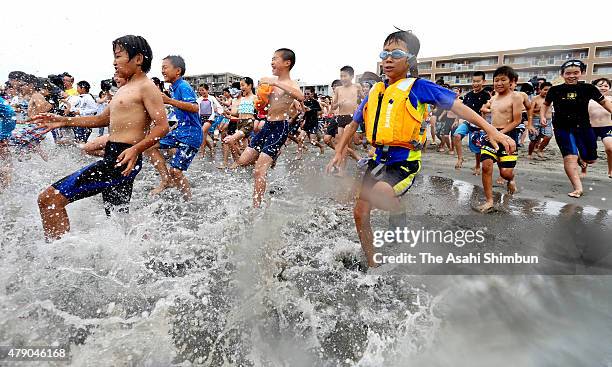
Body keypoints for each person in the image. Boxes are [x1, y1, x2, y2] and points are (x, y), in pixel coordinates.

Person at [326, 30, 514, 268]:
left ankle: (398, 213)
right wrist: (339, 151)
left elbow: (457, 106)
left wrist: (491, 129)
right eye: (385, 53)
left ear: (411, 59)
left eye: (396, 53)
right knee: (359, 212)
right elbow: (354, 123)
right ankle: (372, 261)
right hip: (377, 159)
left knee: (382, 194)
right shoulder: (376, 91)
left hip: (404, 162)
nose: (388, 59)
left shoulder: (418, 87)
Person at [33, 35, 170, 240]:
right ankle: (146, 245)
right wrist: (64, 120)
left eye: (118, 56)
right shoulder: (124, 89)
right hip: (116, 155)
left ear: (138, 58)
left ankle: (57, 257)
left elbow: (162, 126)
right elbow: (101, 119)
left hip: (121, 159)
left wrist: (136, 149)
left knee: (48, 199)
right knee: (117, 219)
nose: (114, 62)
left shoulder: (147, 87)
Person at [232, 48, 304, 207]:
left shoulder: (290, 84)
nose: (271, 62)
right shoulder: (270, 81)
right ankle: (268, 161)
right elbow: (263, 102)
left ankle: (256, 207)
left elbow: (300, 96)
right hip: (267, 124)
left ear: (287, 63)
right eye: (271, 59)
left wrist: (275, 82)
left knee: (259, 170)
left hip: (280, 127)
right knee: (242, 160)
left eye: (275, 59)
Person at [541, 60, 612, 197]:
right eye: (568, 73)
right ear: (562, 74)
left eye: (576, 73)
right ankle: (577, 188)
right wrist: (544, 116)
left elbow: (604, 102)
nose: (572, 76)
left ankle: (581, 157)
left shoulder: (588, 89)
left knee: (590, 159)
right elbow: (546, 104)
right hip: (562, 127)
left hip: (583, 127)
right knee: (569, 157)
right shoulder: (555, 90)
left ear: (582, 73)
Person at [146, 55, 201, 199]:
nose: (162, 71)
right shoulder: (173, 87)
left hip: (191, 135)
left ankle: (188, 200)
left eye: (165, 67)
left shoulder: (183, 86)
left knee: (176, 171)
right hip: (179, 131)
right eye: (161, 68)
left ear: (177, 71)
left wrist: (169, 100)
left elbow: (195, 107)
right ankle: (166, 180)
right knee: (149, 146)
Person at [478, 66, 523, 213]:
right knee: (486, 166)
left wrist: (500, 133)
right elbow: (485, 108)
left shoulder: (516, 97)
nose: (499, 83)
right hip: (492, 135)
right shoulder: (493, 98)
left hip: (509, 135)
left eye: (503, 79)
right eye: (496, 80)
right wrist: (491, 130)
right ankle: (489, 201)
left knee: (505, 173)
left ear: (511, 82)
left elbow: (517, 120)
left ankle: (510, 180)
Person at [458, 71, 491, 175]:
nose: (475, 83)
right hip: (468, 122)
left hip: (479, 124)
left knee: (477, 148)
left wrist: (483, 126)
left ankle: (477, 166)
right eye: (473, 81)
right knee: (456, 135)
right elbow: (462, 109)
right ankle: (460, 159)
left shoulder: (486, 95)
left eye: (478, 81)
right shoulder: (468, 95)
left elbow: (487, 110)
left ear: (483, 82)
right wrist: (458, 120)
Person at [224, 77, 257, 164]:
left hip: (248, 123)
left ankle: (237, 162)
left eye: (243, 85)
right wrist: (228, 113)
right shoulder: (242, 99)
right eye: (240, 86)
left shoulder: (255, 98)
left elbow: (260, 112)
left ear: (250, 85)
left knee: (231, 140)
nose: (241, 87)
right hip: (240, 123)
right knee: (244, 146)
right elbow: (238, 114)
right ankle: (247, 161)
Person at [587, 78, 612, 178]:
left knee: (610, 148)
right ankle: (583, 170)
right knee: (587, 152)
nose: (603, 87)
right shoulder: (589, 99)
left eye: (606, 86)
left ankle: (610, 170)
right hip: (591, 127)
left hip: (608, 127)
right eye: (600, 85)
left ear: (610, 88)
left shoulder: (610, 99)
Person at [527, 81, 553, 159]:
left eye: (549, 90)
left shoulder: (552, 98)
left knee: (548, 136)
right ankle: (530, 153)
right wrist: (530, 124)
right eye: (545, 90)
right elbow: (530, 111)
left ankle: (540, 149)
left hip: (547, 120)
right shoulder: (535, 98)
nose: (547, 92)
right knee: (534, 139)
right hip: (535, 120)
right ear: (540, 90)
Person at [301, 86, 325, 154]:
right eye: (305, 94)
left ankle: (321, 146)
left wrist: (311, 110)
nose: (306, 95)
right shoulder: (304, 102)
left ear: (312, 94)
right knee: (300, 139)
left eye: (308, 94)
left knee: (312, 142)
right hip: (306, 123)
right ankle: (301, 153)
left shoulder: (315, 102)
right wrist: (302, 119)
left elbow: (320, 111)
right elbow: (304, 113)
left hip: (313, 123)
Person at [0, 95, 16, 191]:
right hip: (7, 124)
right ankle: (7, 181)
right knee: (4, 154)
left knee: (3, 153)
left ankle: (5, 183)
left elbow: (9, 112)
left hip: (6, 124)